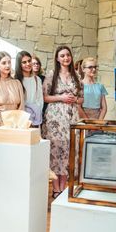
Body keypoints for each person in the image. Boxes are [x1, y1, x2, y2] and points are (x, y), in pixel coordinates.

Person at [42, 46, 83, 199]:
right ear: (57, 58)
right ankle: (55, 187)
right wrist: (61, 98)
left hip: (72, 117)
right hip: (55, 119)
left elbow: (82, 98)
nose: (66, 58)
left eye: (68, 55)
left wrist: (75, 99)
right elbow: (45, 97)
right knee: (55, 151)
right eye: (62, 55)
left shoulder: (76, 75)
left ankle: (63, 186)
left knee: (68, 151)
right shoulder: (51, 74)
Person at [0, 51, 25, 190]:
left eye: (9, 62)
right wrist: (6, 126)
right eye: (4, 63)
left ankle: (11, 189)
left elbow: (22, 106)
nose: (7, 65)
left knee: (13, 160)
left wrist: (16, 125)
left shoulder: (17, 83)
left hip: (16, 128)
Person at [15, 50, 44, 127]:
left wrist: (34, 114)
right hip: (21, 118)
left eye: (29, 61)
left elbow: (40, 100)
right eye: (24, 62)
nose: (28, 64)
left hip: (35, 116)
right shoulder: (16, 80)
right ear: (19, 64)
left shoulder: (37, 79)